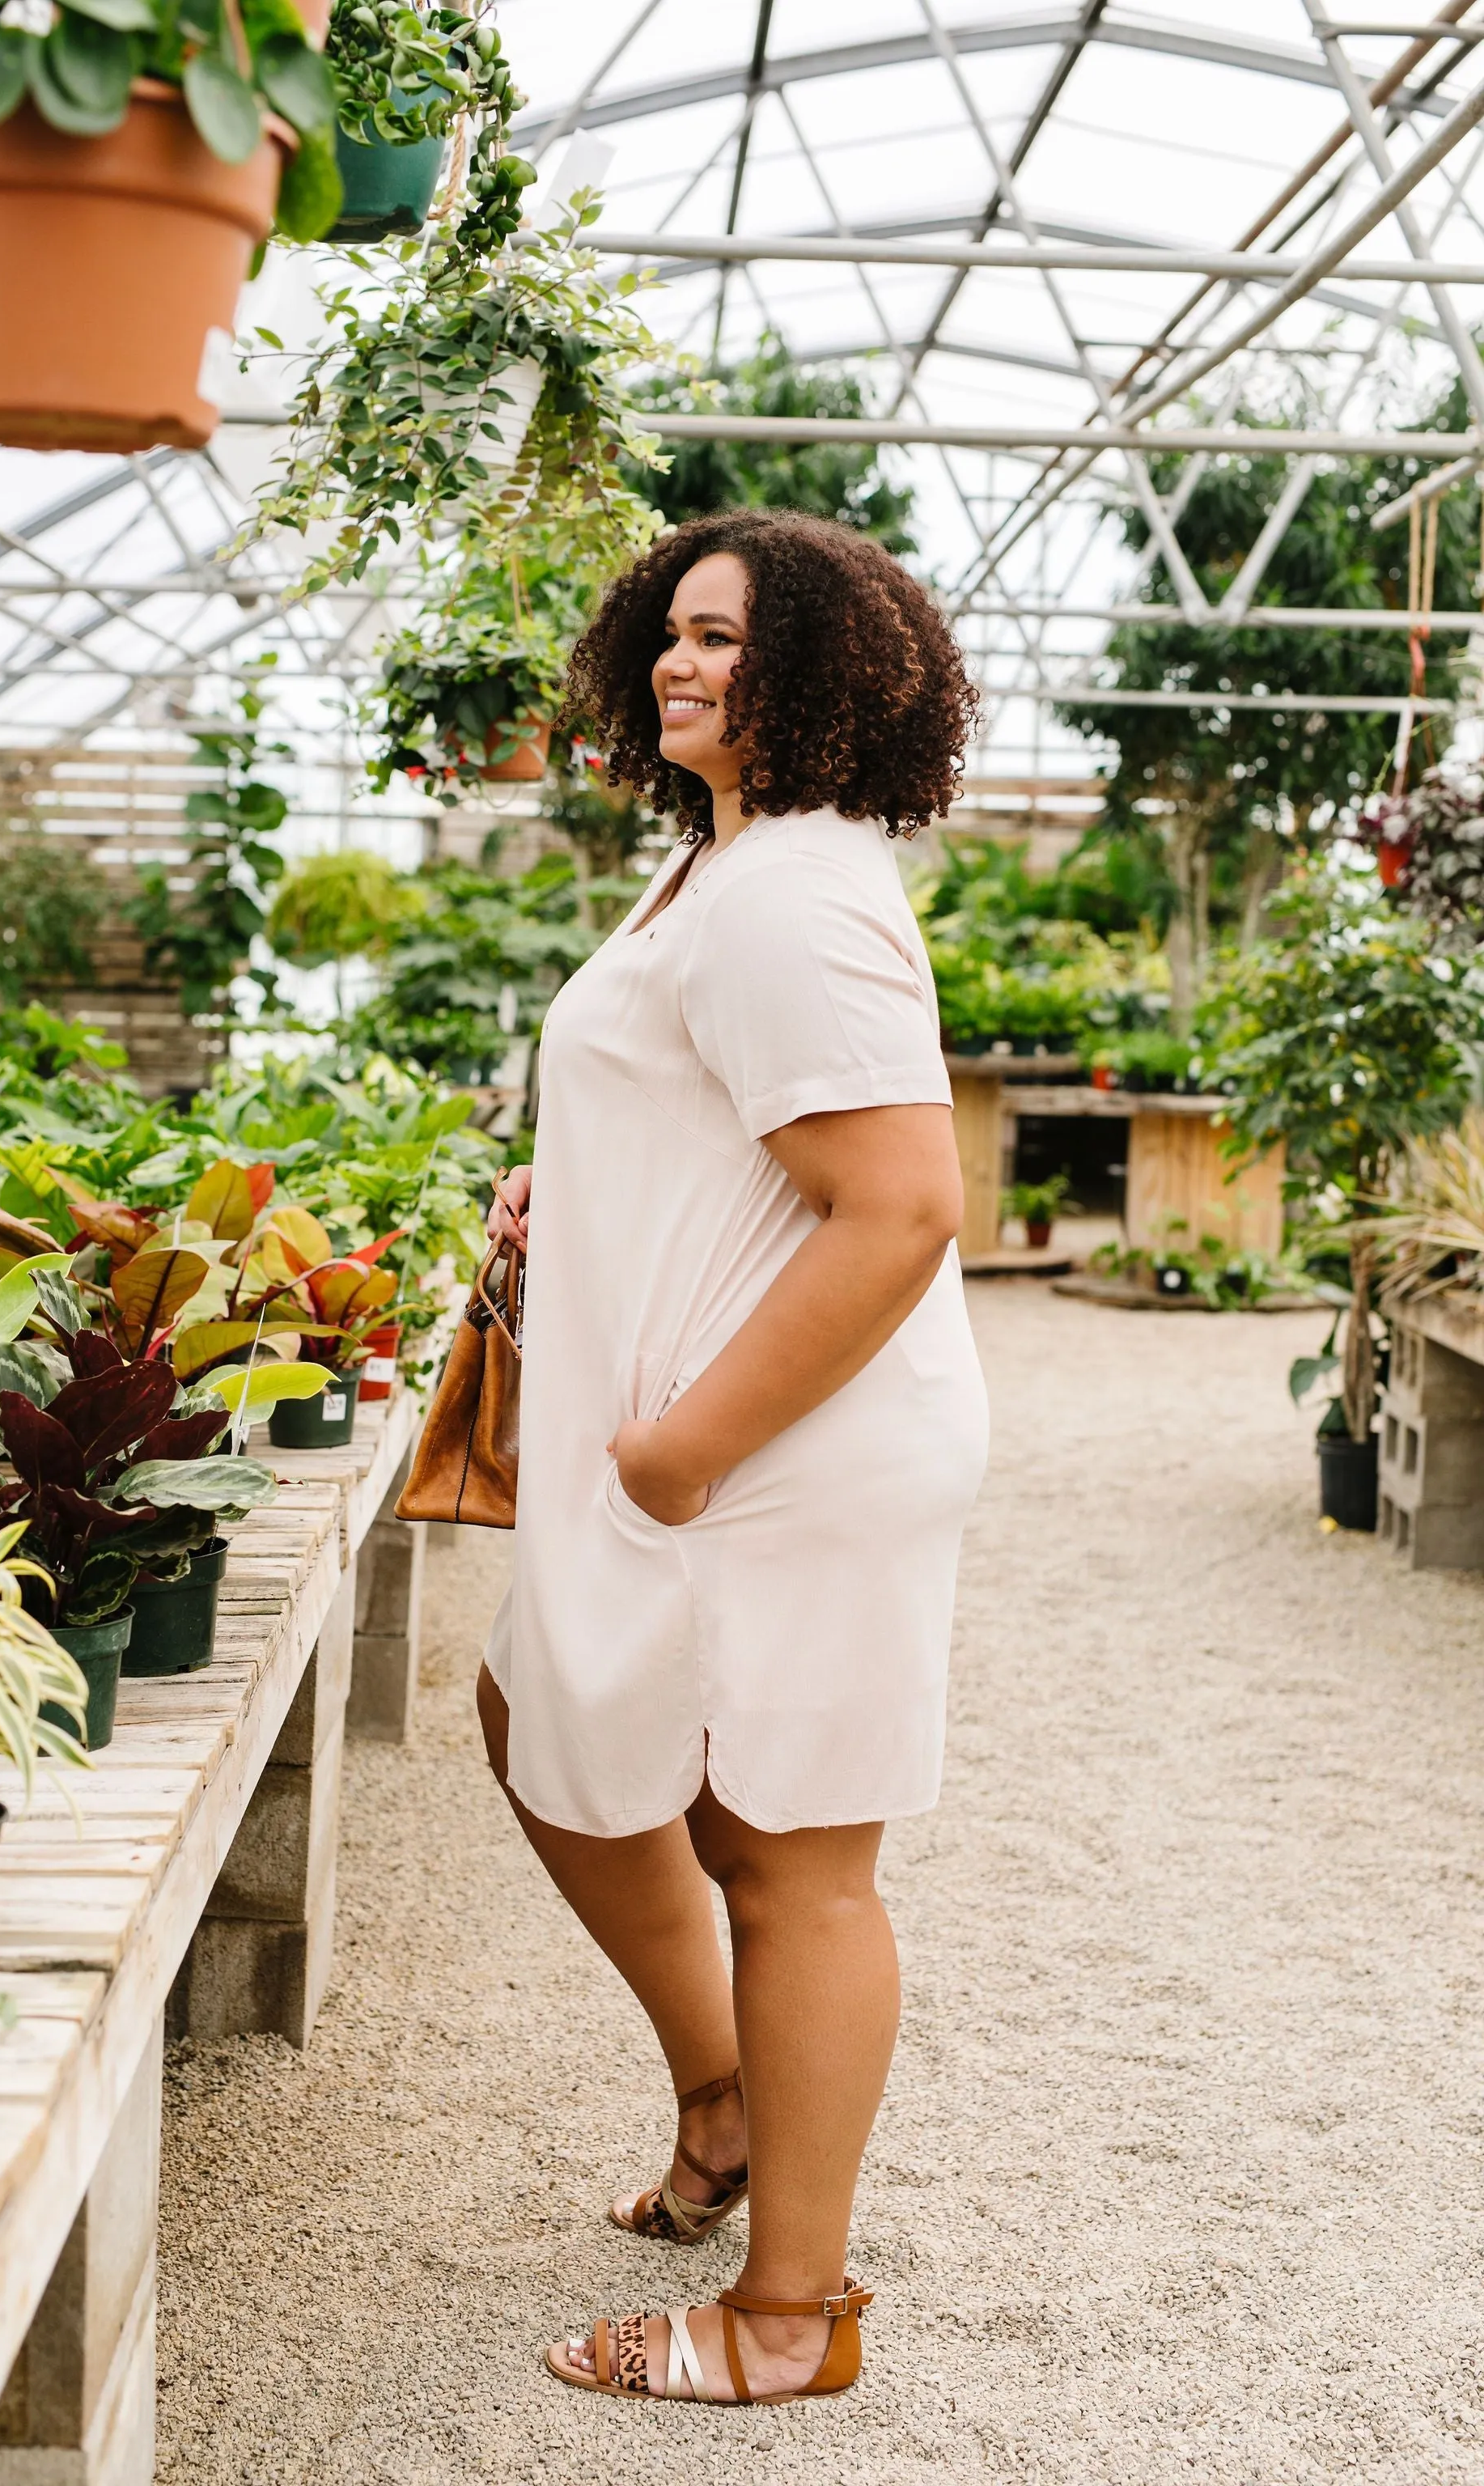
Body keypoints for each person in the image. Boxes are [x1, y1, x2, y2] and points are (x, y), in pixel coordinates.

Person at [476, 507, 989, 2408]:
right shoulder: (726, 869)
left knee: (791, 1862)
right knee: (540, 1712)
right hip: (717, 1448)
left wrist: (681, 1454)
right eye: (676, 634)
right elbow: (731, 1115)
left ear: (832, 680)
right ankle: (722, 2098)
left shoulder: (787, 890)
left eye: (736, 642)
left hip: (774, 1458)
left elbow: (898, 1205)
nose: (692, 664)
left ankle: (790, 2319)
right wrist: (584, 1177)